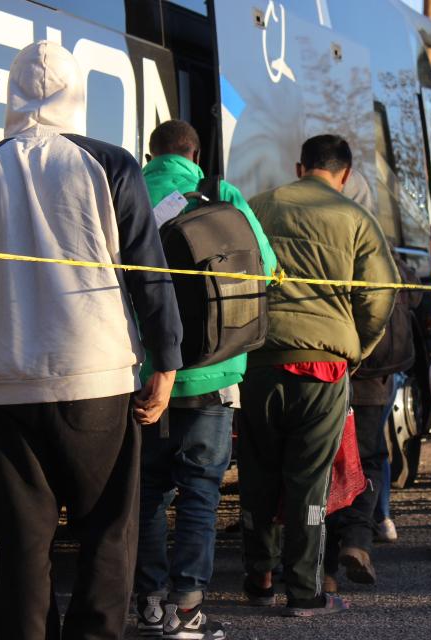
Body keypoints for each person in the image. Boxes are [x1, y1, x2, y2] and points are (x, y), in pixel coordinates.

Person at [0, 41, 183, 639]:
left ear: (11, 96)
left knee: (21, 546)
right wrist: (165, 361)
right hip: (96, 380)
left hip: (4, 386)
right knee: (107, 535)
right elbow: (150, 271)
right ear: (78, 94)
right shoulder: (110, 164)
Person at [238, 134, 398, 616]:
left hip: (257, 359)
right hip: (324, 366)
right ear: (345, 174)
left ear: (299, 165)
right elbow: (380, 295)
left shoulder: (257, 206)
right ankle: (305, 591)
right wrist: (355, 350)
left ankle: (259, 577)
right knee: (309, 478)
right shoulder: (356, 218)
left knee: (258, 472)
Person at [134, 120, 276, 639]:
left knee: (147, 493)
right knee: (200, 493)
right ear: (194, 153)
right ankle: (188, 610)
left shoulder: (124, 188)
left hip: (142, 374)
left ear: (150, 153)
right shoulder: (220, 194)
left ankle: (148, 606)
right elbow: (268, 265)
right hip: (212, 374)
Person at [322, 173, 419, 592]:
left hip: (327, 368)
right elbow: (400, 300)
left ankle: (322, 568)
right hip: (373, 376)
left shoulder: (328, 236)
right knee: (369, 458)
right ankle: (359, 540)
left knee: (323, 464)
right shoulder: (379, 245)